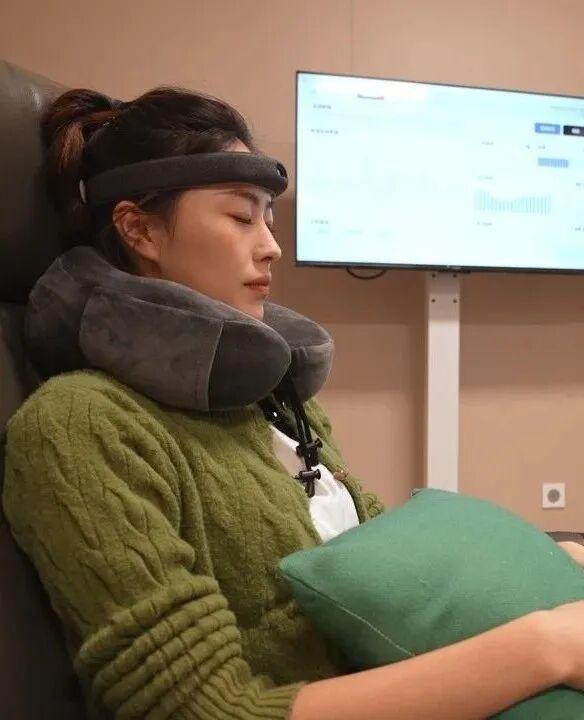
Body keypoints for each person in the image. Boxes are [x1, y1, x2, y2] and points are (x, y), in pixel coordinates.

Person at [3, 84, 584, 720]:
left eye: (269, 221)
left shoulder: (273, 402)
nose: (271, 246)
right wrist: (545, 647)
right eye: (240, 217)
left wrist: (545, 558)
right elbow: (198, 710)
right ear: (139, 228)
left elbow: (381, 562)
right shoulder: (83, 425)